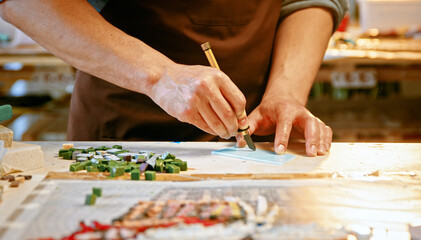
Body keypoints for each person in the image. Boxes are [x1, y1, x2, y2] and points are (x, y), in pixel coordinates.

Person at [0, 0, 348, 156]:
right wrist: (159, 77)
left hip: (255, 138)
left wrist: (285, 92)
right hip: (123, 140)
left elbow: (309, 0)